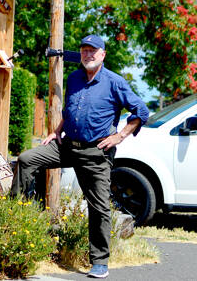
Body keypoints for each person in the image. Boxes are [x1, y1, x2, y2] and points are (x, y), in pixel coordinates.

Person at [11, 34, 149, 279]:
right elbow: (70, 109)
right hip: (66, 145)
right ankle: (15, 221)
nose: (88, 55)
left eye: (93, 51)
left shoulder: (115, 82)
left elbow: (142, 111)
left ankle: (99, 262)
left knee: (98, 206)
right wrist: (56, 130)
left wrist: (120, 136)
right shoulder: (74, 78)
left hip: (96, 152)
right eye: (84, 50)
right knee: (26, 159)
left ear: (103, 54)